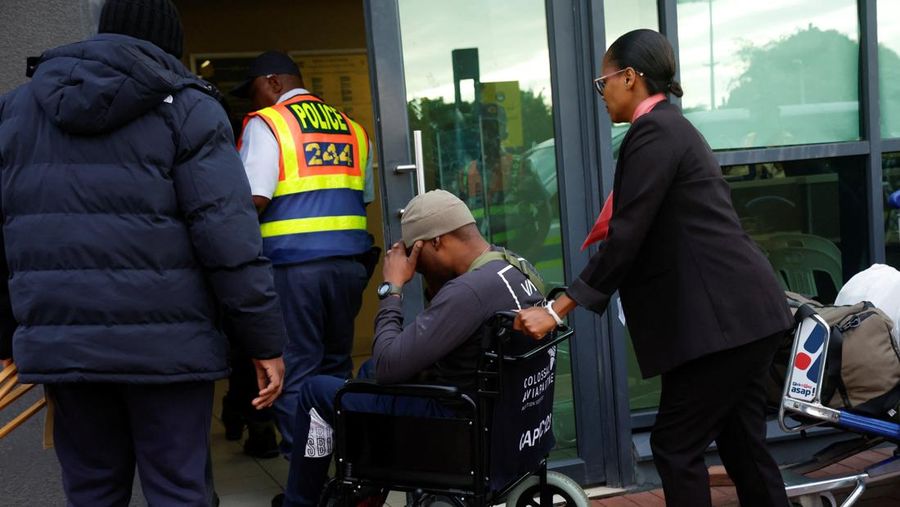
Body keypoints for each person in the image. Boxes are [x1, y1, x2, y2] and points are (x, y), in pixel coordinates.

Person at [0, 1, 287, 505]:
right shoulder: (191, 108)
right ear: (169, 48)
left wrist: (11, 334)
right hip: (170, 351)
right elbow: (228, 238)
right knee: (178, 489)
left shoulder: (18, 110)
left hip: (64, 343)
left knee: (91, 489)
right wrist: (262, 340)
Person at [514, 29, 793, 507]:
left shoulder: (656, 131)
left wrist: (558, 310)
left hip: (722, 326)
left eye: (604, 84)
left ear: (630, 77)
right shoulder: (667, 128)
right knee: (743, 447)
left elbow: (628, 238)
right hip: (743, 318)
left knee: (674, 444)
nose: (602, 96)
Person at [279, 190, 546, 507]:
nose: (415, 268)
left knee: (316, 391)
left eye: (417, 259)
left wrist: (392, 289)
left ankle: (299, 503)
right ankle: (366, 489)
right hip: (503, 419)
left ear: (436, 242)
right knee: (366, 374)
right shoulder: (515, 267)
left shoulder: (467, 292)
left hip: (453, 426)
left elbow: (389, 365)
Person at [231, 50, 377, 460]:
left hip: (293, 270)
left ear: (275, 82)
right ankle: (341, 469)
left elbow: (253, 198)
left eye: (257, 89)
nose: (255, 100)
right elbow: (360, 200)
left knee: (295, 371)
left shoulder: (270, 124)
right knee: (335, 370)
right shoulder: (353, 129)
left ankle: (306, 484)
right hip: (348, 268)